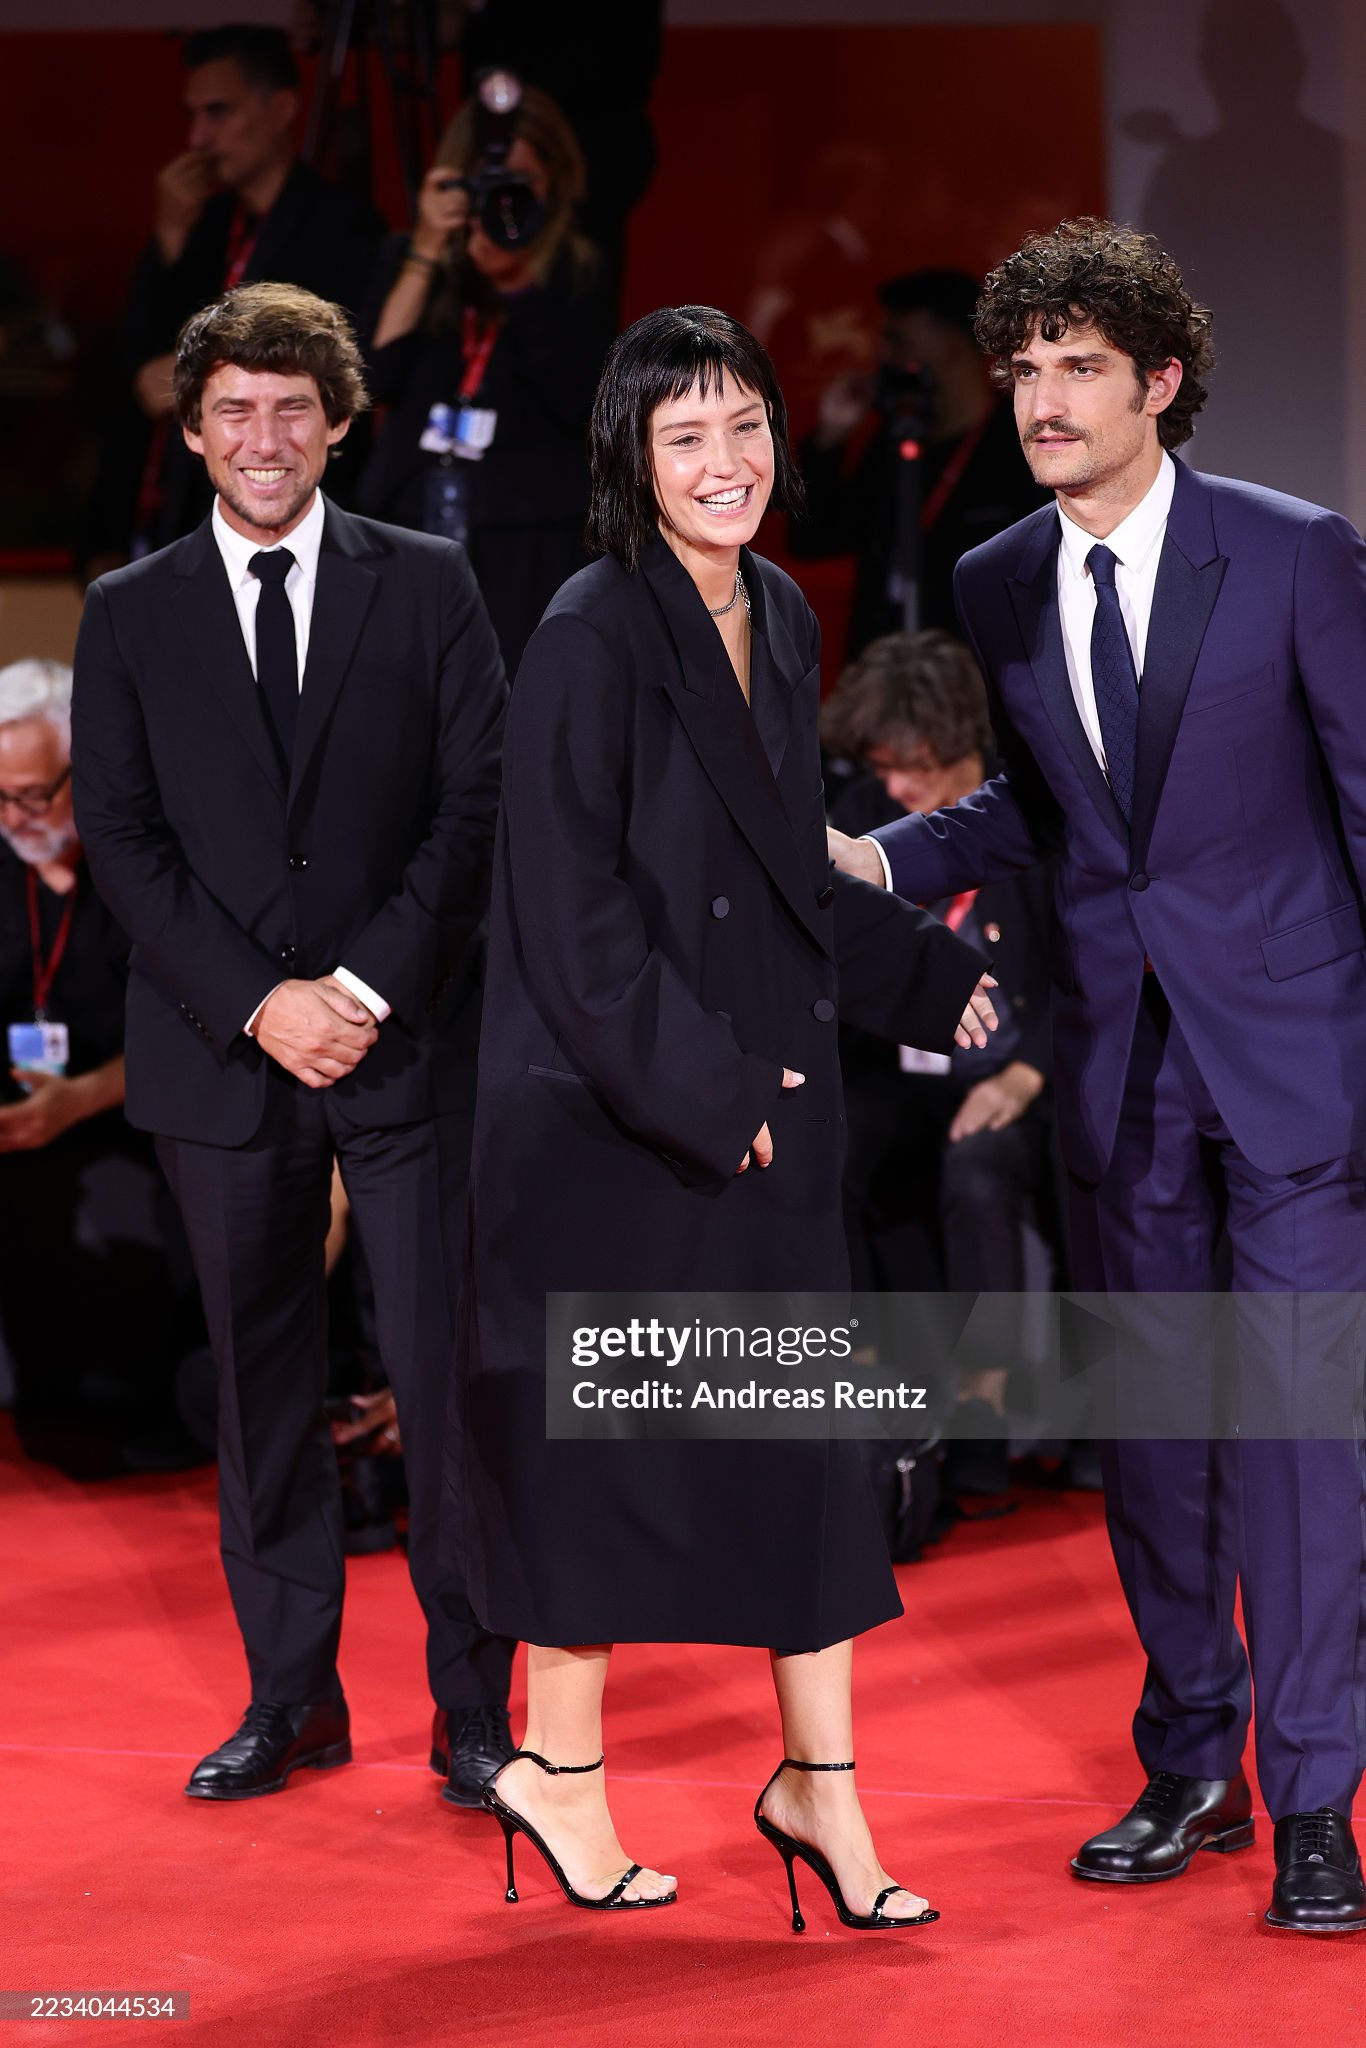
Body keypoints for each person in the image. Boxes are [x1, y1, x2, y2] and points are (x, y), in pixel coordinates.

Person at [828, 218, 1366, 1936]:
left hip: (1297, 1068)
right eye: (1024, 367)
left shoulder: (1294, 553)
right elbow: (1049, 815)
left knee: (1297, 1441)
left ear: (1160, 380)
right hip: (1119, 1065)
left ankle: (1314, 1796)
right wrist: (883, 857)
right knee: (1156, 1438)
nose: (1044, 398)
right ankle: (1193, 1760)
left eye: (1079, 365)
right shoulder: (995, 576)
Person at [457, 305, 998, 1922]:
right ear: (632, 457)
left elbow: (778, 868)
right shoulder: (586, 627)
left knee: (801, 1458)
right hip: (613, 1125)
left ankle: (818, 1786)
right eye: (685, 434)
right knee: (601, 1465)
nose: (726, 461)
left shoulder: (777, 606)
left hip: (753, 1106)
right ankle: (557, 1769)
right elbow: (569, 915)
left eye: (746, 425)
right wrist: (706, 1091)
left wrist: (918, 976)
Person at [71, 281, 516, 1809]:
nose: (263, 438)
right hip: (221, 1056)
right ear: (195, 435)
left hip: (407, 1046)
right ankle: (291, 1700)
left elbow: (475, 807)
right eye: (234, 413)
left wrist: (362, 988)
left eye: (290, 410)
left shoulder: (430, 581)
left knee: (444, 1390)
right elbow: (122, 841)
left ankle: (474, 1714)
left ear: (338, 424)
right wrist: (266, 1002)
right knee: (260, 1390)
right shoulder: (129, 610)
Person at [820, 631, 1059, 1499]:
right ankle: (863, 1416)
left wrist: (1027, 1075)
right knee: (831, 1153)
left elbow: (1078, 975)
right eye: (881, 767)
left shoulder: (1025, 820)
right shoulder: (861, 817)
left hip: (1013, 1078)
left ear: (959, 740)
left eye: (910, 766)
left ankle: (983, 1425)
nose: (893, 788)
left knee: (979, 1171)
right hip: (889, 1071)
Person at [83, 23, 383, 572]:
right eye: (192, 115)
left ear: (281, 109)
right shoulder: (206, 221)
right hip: (175, 513)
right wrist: (169, 239)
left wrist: (195, 378)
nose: (198, 138)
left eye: (219, 113)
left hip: (289, 520)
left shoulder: (343, 228)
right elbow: (137, 369)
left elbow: (352, 370)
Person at [0, 660, 200, 1469]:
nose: (13, 819)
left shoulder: (148, 866)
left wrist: (78, 1099)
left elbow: (195, 1030)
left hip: (131, 1124)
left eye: (32, 797)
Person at [358, 84, 614, 674]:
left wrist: (515, 286)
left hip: (526, 540)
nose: (503, 198)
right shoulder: (408, 258)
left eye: (521, 183)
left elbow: (578, 400)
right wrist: (427, 249)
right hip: (413, 524)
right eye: (487, 182)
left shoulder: (576, 270)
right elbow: (371, 381)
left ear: (554, 185)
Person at [791, 269, 1046, 655]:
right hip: (884, 666)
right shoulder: (893, 442)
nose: (884, 355)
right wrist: (829, 441)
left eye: (899, 340)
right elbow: (812, 540)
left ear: (952, 345)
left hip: (978, 672)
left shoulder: (1020, 449)